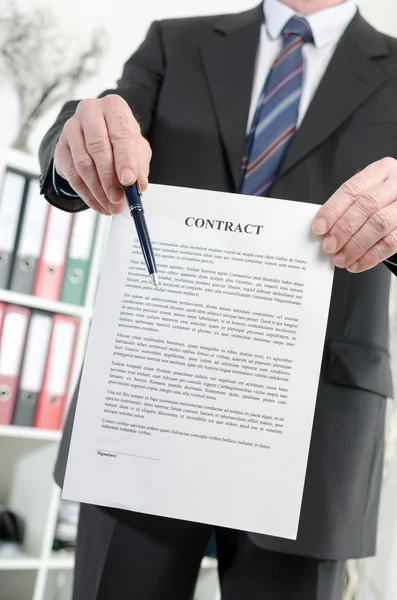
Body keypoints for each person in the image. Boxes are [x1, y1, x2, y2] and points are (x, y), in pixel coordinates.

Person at [39, 0, 397, 598]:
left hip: (318, 430)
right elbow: (93, 133)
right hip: (149, 406)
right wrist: (76, 135)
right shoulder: (174, 41)